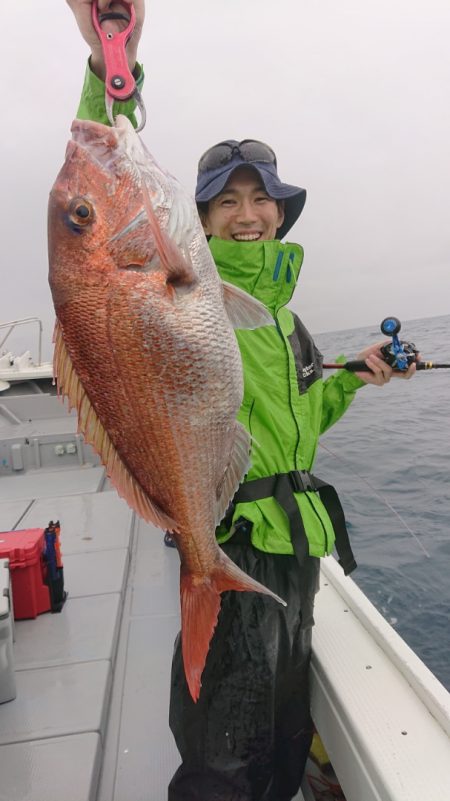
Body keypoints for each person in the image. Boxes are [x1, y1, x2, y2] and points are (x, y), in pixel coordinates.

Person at [66, 4, 417, 799]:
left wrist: (350, 379)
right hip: (233, 536)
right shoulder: (178, 290)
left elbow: (296, 427)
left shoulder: (285, 321)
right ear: (197, 221)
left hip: (295, 551)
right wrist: (106, 65)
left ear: (281, 213)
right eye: (227, 202)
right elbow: (99, 190)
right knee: (223, 756)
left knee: (285, 736)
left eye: (262, 199)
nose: (249, 214)